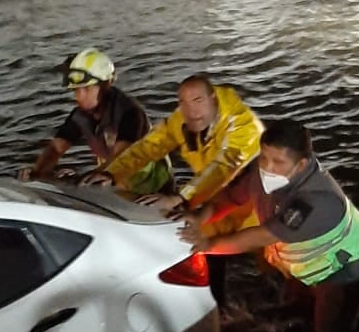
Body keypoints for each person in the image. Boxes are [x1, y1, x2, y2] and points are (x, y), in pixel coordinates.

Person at [180, 117, 359, 332]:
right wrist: (199, 217)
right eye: (264, 158)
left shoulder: (318, 199)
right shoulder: (262, 171)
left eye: (278, 162)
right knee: (300, 306)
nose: (267, 168)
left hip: (344, 266)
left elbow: (262, 235)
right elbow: (230, 196)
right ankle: (350, 325)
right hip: (305, 260)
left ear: (301, 164)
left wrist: (208, 245)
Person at [89, 74, 264, 307]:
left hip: (259, 205)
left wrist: (180, 198)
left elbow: (223, 166)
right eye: (183, 103)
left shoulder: (243, 126)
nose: (191, 111)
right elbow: (150, 145)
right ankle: (218, 308)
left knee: (279, 262)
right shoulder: (184, 119)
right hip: (217, 201)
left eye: (198, 101)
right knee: (201, 244)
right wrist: (112, 173)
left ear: (213, 98)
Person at [18, 48, 171, 194]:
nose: (79, 96)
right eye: (76, 90)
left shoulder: (130, 113)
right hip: (114, 182)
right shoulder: (80, 115)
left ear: (105, 85)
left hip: (152, 187)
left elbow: (121, 157)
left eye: (86, 89)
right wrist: (37, 171)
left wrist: (83, 180)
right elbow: (56, 148)